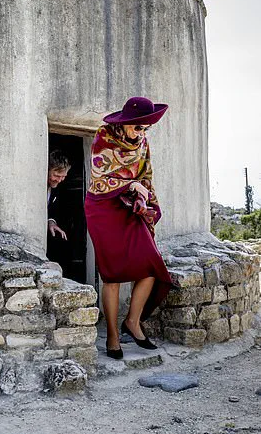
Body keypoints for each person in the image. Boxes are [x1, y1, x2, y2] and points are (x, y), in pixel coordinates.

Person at [84, 96, 174, 359]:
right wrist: (130, 184)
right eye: (137, 127)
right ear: (125, 123)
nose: (141, 133)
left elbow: (146, 176)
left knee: (150, 267)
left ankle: (132, 322)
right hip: (103, 207)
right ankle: (112, 336)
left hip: (130, 206)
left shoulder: (143, 143)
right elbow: (99, 175)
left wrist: (149, 202)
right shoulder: (104, 137)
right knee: (112, 275)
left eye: (146, 128)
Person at [46, 150, 71, 264]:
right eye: (56, 175)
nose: (59, 180)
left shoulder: (57, 187)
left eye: (63, 176)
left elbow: (53, 210)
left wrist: (51, 222)